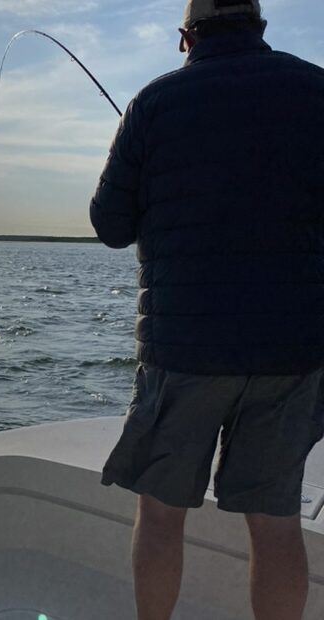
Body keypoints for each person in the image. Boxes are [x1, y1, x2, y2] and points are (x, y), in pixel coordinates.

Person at [90, 0, 324, 618]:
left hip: (184, 353)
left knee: (161, 517)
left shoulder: (153, 104)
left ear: (185, 38)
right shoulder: (316, 89)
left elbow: (110, 225)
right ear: (259, 25)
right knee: (276, 525)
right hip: (293, 355)